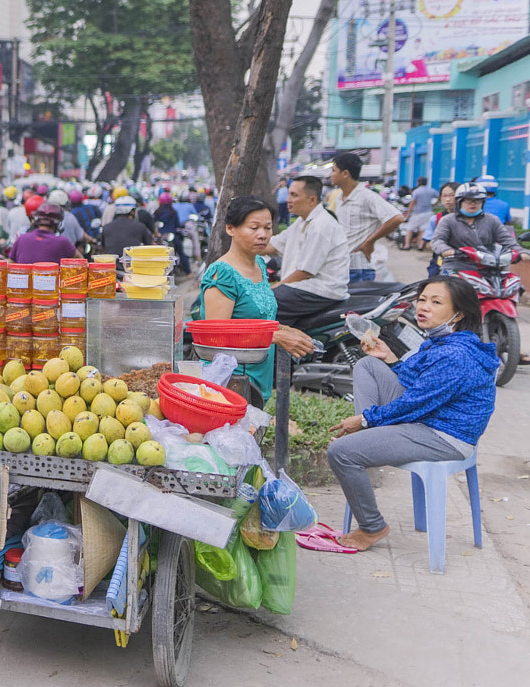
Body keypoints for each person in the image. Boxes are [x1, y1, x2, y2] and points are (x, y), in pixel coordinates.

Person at [327, 276, 498, 552]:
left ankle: (372, 527)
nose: (424, 307)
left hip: (444, 434)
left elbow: (415, 403)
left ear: (459, 314)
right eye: (422, 300)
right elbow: (414, 383)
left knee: (341, 452)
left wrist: (365, 419)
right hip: (428, 419)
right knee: (369, 365)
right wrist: (390, 358)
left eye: (436, 302)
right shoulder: (442, 342)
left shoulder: (455, 355)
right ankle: (369, 443)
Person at [193, 197, 316, 406]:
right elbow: (217, 333)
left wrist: (286, 330)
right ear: (230, 229)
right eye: (254, 227)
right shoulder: (221, 274)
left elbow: (254, 317)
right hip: (231, 378)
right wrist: (276, 336)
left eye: (268, 228)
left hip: (258, 372)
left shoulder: (259, 263)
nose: (263, 235)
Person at [267, 176, 350, 321]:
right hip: (303, 287)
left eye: (294, 195)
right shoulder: (301, 222)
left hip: (319, 289)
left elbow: (305, 272)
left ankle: (286, 342)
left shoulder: (321, 225)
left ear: (312, 200)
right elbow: (273, 244)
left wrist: (276, 286)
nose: (288, 200)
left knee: (260, 304)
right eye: (289, 194)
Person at [330, 152, 404, 283]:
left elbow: (397, 218)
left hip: (360, 269)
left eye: (333, 170)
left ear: (345, 173)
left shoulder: (367, 196)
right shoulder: (339, 199)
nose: (330, 175)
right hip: (342, 265)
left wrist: (369, 242)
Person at [431, 183, 530, 275]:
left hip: (489, 268)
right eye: (468, 200)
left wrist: (522, 252)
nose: (473, 204)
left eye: (477, 200)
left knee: (514, 286)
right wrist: (447, 250)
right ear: (459, 202)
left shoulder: (492, 220)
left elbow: (507, 240)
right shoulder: (448, 220)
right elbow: (437, 240)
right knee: (454, 289)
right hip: (457, 267)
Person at [8, 202, 77, 264]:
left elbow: (11, 263)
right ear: (58, 223)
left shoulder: (21, 238)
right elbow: (80, 261)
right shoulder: (63, 242)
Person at [403, 176, 437, 251]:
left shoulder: (416, 191)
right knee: (423, 230)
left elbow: (412, 202)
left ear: (419, 182)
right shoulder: (431, 190)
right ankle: (420, 246)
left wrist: (408, 214)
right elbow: (439, 197)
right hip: (428, 213)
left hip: (417, 213)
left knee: (409, 229)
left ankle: (407, 245)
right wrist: (434, 205)